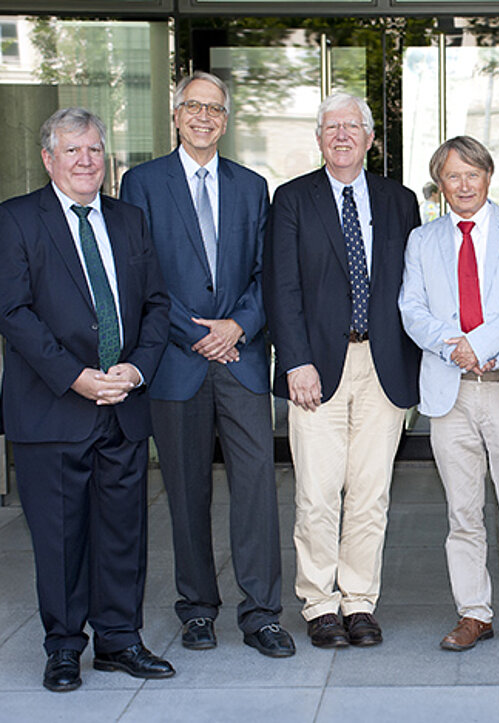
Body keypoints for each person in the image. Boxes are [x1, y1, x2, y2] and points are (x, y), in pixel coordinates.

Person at [120, 72, 294, 658]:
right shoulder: (141, 183)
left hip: (241, 358)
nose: (203, 117)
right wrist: (195, 333)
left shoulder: (252, 186)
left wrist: (240, 326)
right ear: (175, 115)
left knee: (256, 492)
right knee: (186, 491)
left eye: (214, 109)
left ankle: (262, 612)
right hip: (176, 360)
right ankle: (197, 609)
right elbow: (139, 275)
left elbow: (267, 273)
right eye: (193, 107)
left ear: (226, 119)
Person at [0, 108, 172, 691]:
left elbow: (155, 305)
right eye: (72, 150)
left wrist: (137, 370)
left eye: (95, 150)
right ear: (49, 158)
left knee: (123, 532)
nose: (85, 161)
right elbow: (13, 313)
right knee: (61, 536)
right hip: (53, 408)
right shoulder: (17, 220)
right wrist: (75, 375)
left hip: (122, 404)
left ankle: (120, 641)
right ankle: (65, 647)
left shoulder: (129, 220)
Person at [263, 91, 420, 649]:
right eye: (331, 127)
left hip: (384, 365)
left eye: (352, 126)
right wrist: (295, 360)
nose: (341, 135)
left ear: (371, 138)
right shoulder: (292, 199)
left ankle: (359, 601)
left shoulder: (399, 201)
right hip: (318, 367)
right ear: (319, 138)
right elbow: (280, 287)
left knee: (371, 493)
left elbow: (413, 285)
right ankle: (319, 602)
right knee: (318, 493)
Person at [399, 136, 499, 656]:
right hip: (452, 392)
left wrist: (480, 344)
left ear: (488, 176)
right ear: (439, 184)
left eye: (473, 174)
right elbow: (412, 308)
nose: (463, 185)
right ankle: (474, 613)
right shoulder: (423, 240)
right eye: (452, 176)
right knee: (462, 514)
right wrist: (456, 350)